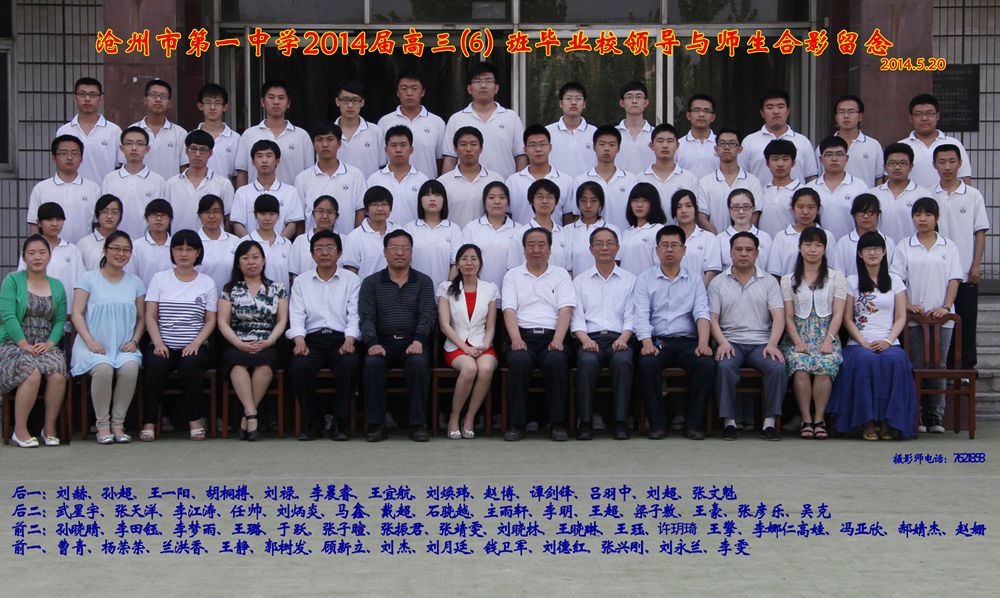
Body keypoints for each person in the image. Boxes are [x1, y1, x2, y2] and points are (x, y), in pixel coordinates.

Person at [828, 232, 916, 440]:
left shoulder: (895, 281)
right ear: (860, 254)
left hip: (889, 341)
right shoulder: (852, 281)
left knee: (895, 361)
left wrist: (888, 341)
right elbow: (847, 318)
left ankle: (887, 422)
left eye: (876, 248)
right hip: (859, 343)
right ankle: (867, 422)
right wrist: (863, 342)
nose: (872, 253)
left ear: (884, 252)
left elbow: (901, 317)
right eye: (867, 249)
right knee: (865, 361)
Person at [633, 225, 716, 440]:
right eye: (664, 245)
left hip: (688, 341)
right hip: (659, 341)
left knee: (706, 363)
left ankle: (694, 425)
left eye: (674, 245)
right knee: (647, 363)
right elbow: (641, 315)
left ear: (683, 250)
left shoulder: (695, 280)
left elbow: (702, 312)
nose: (669, 250)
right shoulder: (644, 279)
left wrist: (703, 343)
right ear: (657, 250)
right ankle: (657, 424)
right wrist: (647, 343)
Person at [891, 197, 962, 433]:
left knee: (938, 365)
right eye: (918, 214)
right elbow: (897, 280)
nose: (922, 219)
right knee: (917, 364)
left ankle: (936, 417)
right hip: (914, 318)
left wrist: (946, 306)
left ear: (936, 218)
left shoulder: (948, 246)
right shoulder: (904, 246)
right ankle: (917, 415)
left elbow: (954, 279)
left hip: (943, 318)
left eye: (928, 214)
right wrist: (908, 305)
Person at [359, 230, 437, 442]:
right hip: (382, 341)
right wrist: (372, 343)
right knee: (373, 364)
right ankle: (376, 424)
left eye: (405, 248)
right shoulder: (371, 283)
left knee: (418, 364)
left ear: (411, 253)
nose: (400, 253)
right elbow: (366, 317)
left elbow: (427, 315)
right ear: (385, 252)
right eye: (394, 248)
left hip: (413, 340)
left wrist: (419, 340)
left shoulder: (424, 281)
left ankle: (418, 424)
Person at [709, 232, 787, 441]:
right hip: (730, 341)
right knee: (724, 367)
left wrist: (773, 344)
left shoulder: (769, 282)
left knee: (777, 368)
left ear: (757, 253)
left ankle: (769, 423)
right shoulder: (718, 282)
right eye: (739, 249)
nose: (743, 254)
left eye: (749, 250)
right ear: (730, 252)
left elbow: (779, 316)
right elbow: (712, 319)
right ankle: (729, 422)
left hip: (761, 343)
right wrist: (722, 342)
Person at [141, 230, 218, 441]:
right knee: (155, 364)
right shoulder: (159, 279)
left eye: (189, 249)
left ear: (197, 253)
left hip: (195, 345)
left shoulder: (207, 282)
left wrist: (196, 343)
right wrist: (158, 343)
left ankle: (195, 420)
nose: (184, 253)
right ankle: (149, 422)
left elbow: (210, 320)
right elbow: (150, 316)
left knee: (190, 365)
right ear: (172, 251)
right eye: (179, 248)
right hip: (163, 343)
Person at [70, 231, 145, 444]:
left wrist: (135, 341)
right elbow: (77, 313)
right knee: (103, 369)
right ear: (105, 250)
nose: (121, 254)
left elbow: (142, 318)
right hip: (92, 345)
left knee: (130, 368)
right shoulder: (88, 278)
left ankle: (118, 424)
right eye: (116, 249)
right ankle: (102, 426)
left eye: (126, 250)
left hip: (123, 346)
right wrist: (90, 341)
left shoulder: (135, 282)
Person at [502, 227, 575, 441]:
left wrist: (558, 339)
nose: (536, 250)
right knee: (519, 361)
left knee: (556, 361)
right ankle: (517, 424)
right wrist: (516, 339)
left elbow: (566, 309)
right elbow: (509, 310)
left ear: (550, 249)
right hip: (522, 335)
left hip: (553, 336)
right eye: (531, 245)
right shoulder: (512, 275)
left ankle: (557, 423)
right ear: (524, 249)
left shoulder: (561, 274)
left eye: (541, 245)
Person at [287, 230, 361, 441]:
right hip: (312, 339)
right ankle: (313, 422)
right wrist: (299, 340)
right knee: (299, 366)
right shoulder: (301, 281)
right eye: (319, 249)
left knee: (349, 364)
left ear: (339, 253)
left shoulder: (352, 280)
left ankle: (340, 423)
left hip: (341, 338)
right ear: (312, 254)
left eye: (330, 248)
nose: (325, 253)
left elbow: (354, 315)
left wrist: (350, 340)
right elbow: (296, 314)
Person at [0, 235, 68, 448]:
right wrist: (24, 345)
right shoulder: (12, 280)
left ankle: (49, 428)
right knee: (32, 371)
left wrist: (50, 344)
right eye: (31, 253)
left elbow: (59, 320)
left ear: (49, 256)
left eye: (42, 252)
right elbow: (8, 315)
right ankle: (20, 431)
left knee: (58, 372)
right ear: (24, 257)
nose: (37, 257)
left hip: (45, 345)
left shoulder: (57, 286)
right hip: (14, 344)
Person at [217, 240, 288, 442]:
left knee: (265, 364)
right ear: (238, 263)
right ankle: (252, 414)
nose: (251, 262)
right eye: (245, 258)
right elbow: (222, 322)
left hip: (268, 341)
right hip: (238, 341)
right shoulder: (230, 289)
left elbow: (282, 320)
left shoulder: (277, 288)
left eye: (256, 257)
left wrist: (270, 340)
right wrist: (239, 344)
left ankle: (246, 417)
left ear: (263, 261)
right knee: (236, 364)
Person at [779, 226, 846, 440]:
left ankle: (819, 419)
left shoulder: (836, 277)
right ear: (800, 248)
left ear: (824, 249)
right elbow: (788, 316)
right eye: (808, 244)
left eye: (818, 245)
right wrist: (797, 341)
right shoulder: (788, 279)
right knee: (800, 365)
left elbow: (838, 314)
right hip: (798, 335)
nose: (812, 250)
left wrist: (829, 340)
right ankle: (806, 419)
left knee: (825, 365)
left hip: (827, 335)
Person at [571, 227, 636, 440]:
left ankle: (620, 422)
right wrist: (585, 340)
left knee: (623, 362)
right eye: (599, 244)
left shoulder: (630, 280)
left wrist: (624, 338)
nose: (604, 248)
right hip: (590, 338)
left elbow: (632, 315)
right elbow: (576, 317)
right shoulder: (580, 281)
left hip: (621, 338)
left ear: (617, 248)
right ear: (591, 249)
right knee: (587, 362)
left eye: (609, 243)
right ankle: (585, 423)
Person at [934, 144, 989, 371]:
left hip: (965, 270)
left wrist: (976, 265)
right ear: (934, 165)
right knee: (939, 322)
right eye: (942, 162)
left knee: (966, 321)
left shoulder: (973, 195)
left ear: (960, 164)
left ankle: (966, 370)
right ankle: (940, 369)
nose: (947, 167)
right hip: (937, 273)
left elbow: (980, 231)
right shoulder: (928, 194)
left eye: (952, 161)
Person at [437, 244, 499, 439]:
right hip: (456, 345)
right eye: (464, 258)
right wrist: (464, 348)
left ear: (480, 263)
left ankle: (470, 417)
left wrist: (485, 345)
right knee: (470, 368)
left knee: (486, 368)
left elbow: (491, 326)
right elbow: (445, 325)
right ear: (457, 264)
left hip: (482, 345)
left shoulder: (490, 289)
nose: (469, 262)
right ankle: (454, 417)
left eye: (473, 258)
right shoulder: (446, 288)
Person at [442, 62, 526, 178]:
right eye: (477, 81)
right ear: (469, 88)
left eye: (488, 81)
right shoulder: (456, 119)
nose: (483, 85)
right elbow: (450, 159)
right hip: (466, 186)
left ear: (496, 88)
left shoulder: (511, 117)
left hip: (503, 186)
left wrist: (517, 184)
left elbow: (520, 156)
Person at [294, 121, 366, 236]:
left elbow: (360, 211)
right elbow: (299, 218)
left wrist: (356, 240)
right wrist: (301, 242)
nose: (325, 144)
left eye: (330, 139)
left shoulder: (355, 175)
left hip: (346, 242)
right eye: (319, 140)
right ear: (313, 144)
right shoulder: (302, 178)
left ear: (339, 144)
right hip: (312, 243)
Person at [236, 80, 314, 186]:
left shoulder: (302, 136)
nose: (276, 102)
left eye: (281, 98)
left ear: (288, 103)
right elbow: (242, 173)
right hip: (257, 196)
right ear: (263, 102)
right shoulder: (249, 135)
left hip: (292, 195)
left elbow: (309, 174)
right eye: (271, 97)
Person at [27, 135, 102, 244]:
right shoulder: (41, 188)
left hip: (84, 250)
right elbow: (34, 224)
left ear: (81, 158)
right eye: (64, 153)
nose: (69, 158)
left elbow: (98, 224)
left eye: (75, 153)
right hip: (51, 250)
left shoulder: (93, 189)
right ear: (54, 158)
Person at [377, 69, 446, 179]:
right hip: (392, 185)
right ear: (397, 92)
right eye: (404, 88)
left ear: (423, 92)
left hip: (427, 186)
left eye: (414, 88)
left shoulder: (437, 123)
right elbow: (381, 160)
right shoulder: (385, 122)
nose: (409, 93)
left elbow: (440, 160)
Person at [20, 203, 84, 319]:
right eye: (49, 219)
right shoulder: (31, 249)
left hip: (66, 316)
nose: (55, 224)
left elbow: (81, 283)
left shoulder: (73, 250)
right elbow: (21, 280)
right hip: (34, 316)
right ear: (39, 223)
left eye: (59, 219)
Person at [740, 89, 818, 185]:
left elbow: (811, 177)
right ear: (762, 113)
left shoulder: (803, 141)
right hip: (760, 194)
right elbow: (742, 177)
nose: (776, 111)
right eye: (770, 107)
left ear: (788, 111)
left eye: (781, 107)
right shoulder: (749, 142)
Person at [101, 126, 167, 239]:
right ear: (121, 148)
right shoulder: (110, 178)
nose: (134, 148)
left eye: (140, 144)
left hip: (146, 242)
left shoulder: (158, 181)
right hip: (115, 242)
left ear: (147, 149)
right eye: (129, 143)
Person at [164, 129, 236, 232]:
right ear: (186, 151)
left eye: (203, 150)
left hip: (212, 241)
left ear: (210, 153)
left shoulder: (223, 184)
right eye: (193, 149)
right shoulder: (171, 184)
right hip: (179, 241)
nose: (197, 154)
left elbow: (227, 220)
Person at [696, 127, 763, 234]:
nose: (727, 147)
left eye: (732, 143)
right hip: (715, 240)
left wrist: (742, 238)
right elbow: (702, 218)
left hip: (746, 240)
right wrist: (720, 239)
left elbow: (755, 215)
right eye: (722, 143)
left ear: (740, 149)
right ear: (716, 149)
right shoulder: (705, 183)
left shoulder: (753, 181)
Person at [231, 140, 303, 239]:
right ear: (253, 162)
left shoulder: (290, 192)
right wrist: (252, 245)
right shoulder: (242, 192)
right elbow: (237, 225)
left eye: (269, 156)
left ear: (277, 161)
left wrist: (278, 243)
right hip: (250, 247)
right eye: (259, 156)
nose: (264, 160)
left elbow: (292, 224)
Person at [56, 77, 122, 184]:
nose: (87, 99)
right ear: (75, 98)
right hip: (71, 191)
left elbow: (120, 167)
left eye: (92, 95)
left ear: (100, 99)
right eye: (82, 94)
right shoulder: (64, 131)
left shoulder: (114, 131)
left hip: (104, 192)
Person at [899, 93, 973, 188]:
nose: (924, 118)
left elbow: (964, 179)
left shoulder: (954, 144)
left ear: (937, 116)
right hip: (912, 198)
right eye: (918, 114)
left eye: (929, 113)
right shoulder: (901, 147)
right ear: (911, 118)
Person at [573, 125, 637, 231]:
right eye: (602, 144)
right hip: (591, 239)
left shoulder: (630, 179)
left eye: (612, 145)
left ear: (618, 149)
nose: (606, 149)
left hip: (623, 236)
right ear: (594, 147)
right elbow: (576, 216)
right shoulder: (581, 180)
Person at [505, 124, 574, 225]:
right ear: (525, 150)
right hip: (520, 235)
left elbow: (568, 218)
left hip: (555, 235)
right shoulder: (513, 181)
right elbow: (507, 215)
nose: (538, 149)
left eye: (542, 144)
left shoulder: (566, 181)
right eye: (532, 145)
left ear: (550, 147)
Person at [437, 126, 504, 228]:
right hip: (454, 237)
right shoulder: (443, 182)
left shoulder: (495, 179)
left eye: (473, 144)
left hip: (486, 237)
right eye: (463, 144)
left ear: (481, 148)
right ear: (455, 149)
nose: (468, 149)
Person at [404, 180, 464, 289]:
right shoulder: (409, 228)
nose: (432, 199)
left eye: (437, 195)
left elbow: (456, 264)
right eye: (427, 195)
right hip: (414, 292)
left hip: (444, 293)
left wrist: (447, 291)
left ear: (444, 200)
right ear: (420, 200)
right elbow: (404, 263)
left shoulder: (453, 229)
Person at [807, 136, 869, 239]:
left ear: (847, 158)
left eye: (839, 154)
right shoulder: (811, 188)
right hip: (818, 245)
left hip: (851, 244)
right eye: (829, 154)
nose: (834, 159)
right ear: (821, 159)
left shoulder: (860, 187)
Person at [366, 125, 429, 226]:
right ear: (386, 150)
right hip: (383, 234)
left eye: (403, 145)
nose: (398, 150)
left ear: (411, 149)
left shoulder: (423, 181)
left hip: (414, 234)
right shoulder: (374, 180)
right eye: (393, 145)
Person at [461, 182, 518, 293]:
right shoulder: (471, 228)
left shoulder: (518, 230)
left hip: (509, 292)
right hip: (478, 293)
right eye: (491, 198)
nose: (497, 202)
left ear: (508, 202)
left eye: (502, 197)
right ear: (484, 202)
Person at [816, 95, 884, 187]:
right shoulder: (824, 146)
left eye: (851, 111)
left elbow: (879, 178)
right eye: (841, 112)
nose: (846, 116)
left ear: (860, 116)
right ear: (835, 117)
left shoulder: (873, 145)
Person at [506, 179, 572, 273]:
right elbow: (512, 270)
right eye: (539, 197)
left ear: (556, 202)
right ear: (532, 201)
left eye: (549, 197)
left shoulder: (565, 234)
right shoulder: (520, 234)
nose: (544, 201)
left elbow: (568, 270)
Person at [127, 79, 188, 180]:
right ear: (145, 100)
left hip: (169, 188)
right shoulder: (132, 131)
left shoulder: (180, 133)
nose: (158, 99)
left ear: (169, 103)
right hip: (139, 187)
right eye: (153, 95)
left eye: (163, 96)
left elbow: (184, 168)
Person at [767, 188, 836, 277]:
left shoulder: (827, 236)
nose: (805, 212)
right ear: (793, 209)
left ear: (818, 210)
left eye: (811, 207)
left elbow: (831, 268)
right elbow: (775, 272)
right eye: (800, 207)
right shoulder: (782, 237)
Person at [872, 143, 932, 243]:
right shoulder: (873, 195)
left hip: (912, 249)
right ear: (885, 167)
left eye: (903, 163)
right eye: (892, 163)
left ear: (911, 166)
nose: (897, 167)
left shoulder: (923, 195)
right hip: (880, 250)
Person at [705, 189, 772, 279]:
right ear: (729, 209)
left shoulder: (765, 238)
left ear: (753, 209)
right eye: (736, 207)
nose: (741, 212)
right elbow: (712, 273)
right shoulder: (720, 239)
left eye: (746, 207)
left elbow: (771, 272)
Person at [637, 123, 699, 218]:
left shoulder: (689, 178)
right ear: (651, 145)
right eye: (660, 141)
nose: (665, 145)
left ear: (677, 146)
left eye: (670, 141)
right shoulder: (640, 178)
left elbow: (695, 212)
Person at [830, 193, 895, 278]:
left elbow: (892, 273)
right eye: (861, 212)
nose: (866, 216)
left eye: (870, 212)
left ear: (878, 214)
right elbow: (838, 274)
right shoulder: (844, 243)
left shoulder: (888, 242)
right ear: (854, 215)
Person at [343, 186, 400, 279]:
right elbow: (350, 273)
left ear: (390, 208)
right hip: (366, 288)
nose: (380, 208)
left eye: (384, 204)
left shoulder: (399, 232)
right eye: (375, 205)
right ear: (366, 210)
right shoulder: (355, 237)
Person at [565, 182, 621, 277]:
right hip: (575, 284)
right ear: (578, 203)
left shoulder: (612, 230)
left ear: (600, 204)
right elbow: (566, 267)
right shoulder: (567, 230)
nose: (588, 205)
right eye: (583, 200)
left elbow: (616, 263)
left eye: (594, 201)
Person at [334, 80, 385, 178]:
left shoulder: (375, 131)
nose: (350, 105)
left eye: (355, 100)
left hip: (369, 186)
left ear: (362, 102)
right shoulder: (329, 134)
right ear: (337, 101)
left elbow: (383, 165)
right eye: (345, 100)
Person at [545, 82, 597, 178]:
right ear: (561, 103)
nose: (573, 102)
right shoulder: (547, 132)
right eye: (568, 98)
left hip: (587, 186)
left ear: (584, 104)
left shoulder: (595, 133)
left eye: (578, 99)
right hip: (555, 185)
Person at [241, 195, 292, 290]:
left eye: (272, 214)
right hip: (252, 298)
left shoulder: (287, 244)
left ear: (278, 216)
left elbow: (291, 276)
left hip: (282, 297)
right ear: (255, 215)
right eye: (263, 214)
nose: (267, 218)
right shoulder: (244, 242)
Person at [756, 139, 803, 238]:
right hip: (764, 245)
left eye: (785, 159)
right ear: (767, 163)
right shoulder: (760, 192)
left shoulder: (802, 192)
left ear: (793, 163)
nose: (780, 164)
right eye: (775, 159)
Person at [618, 182, 667, 275]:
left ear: (653, 203)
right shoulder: (626, 233)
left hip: (648, 283)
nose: (639, 205)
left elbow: (661, 264)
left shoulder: (658, 230)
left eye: (645, 201)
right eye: (635, 200)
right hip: (627, 283)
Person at [289, 195, 341, 284]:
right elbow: (295, 274)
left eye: (330, 212)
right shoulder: (300, 241)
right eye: (320, 211)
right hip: (305, 290)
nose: (325, 216)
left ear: (337, 216)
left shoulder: (345, 240)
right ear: (313, 214)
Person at [195, 83, 241, 182]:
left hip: (225, 190)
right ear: (200, 106)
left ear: (225, 107)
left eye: (217, 103)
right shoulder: (191, 137)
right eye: (208, 102)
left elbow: (238, 175)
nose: (212, 107)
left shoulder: (236, 139)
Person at [196, 194, 241, 294]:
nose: (211, 216)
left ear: (223, 214)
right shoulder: (192, 242)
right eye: (206, 212)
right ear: (199, 215)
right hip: (199, 298)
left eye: (216, 212)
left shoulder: (235, 242)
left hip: (230, 298)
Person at [670, 189, 715, 283]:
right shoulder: (667, 238)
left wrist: (699, 290)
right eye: (679, 207)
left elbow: (711, 272)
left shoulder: (708, 238)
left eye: (688, 206)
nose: (684, 210)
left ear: (695, 209)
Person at [127, 199, 173, 288]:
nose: (159, 219)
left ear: (170, 220)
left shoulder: (176, 246)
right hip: (144, 295)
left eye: (163, 215)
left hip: (171, 295)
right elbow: (130, 276)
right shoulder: (137, 246)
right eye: (154, 215)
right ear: (147, 218)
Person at [614, 81, 655, 175]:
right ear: (622, 103)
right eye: (629, 97)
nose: (634, 101)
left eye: (639, 97)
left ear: (646, 102)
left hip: (649, 183)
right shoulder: (612, 134)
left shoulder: (656, 135)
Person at [676, 93, 719, 179]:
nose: (701, 114)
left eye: (706, 111)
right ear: (688, 115)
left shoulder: (722, 145)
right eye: (696, 110)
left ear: (713, 117)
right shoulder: (677, 145)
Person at [78, 194, 123, 270]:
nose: (109, 216)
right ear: (97, 214)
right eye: (105, 212)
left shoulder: (128, 243)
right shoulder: (84, 244)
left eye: (114, 212)